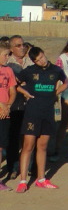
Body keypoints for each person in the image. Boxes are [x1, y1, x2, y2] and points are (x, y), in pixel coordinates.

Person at [14, 46, 67, 192]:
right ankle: (23, 181)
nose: (41, 61)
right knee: (28, 146)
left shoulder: (56, 70)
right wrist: (25, 92)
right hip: (32, 112)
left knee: (42, 146)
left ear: (44, 54)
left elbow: (66, 82)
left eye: (42, 57)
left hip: (48, 113)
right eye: (37, 60)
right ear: (33, 61)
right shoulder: (29, 71)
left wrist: (56, 92)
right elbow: (15, 83)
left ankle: (41, 179)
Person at [5, 35, 30, 177]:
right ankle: (13, 168)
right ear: (11, 48)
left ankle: (28, 167)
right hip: (14, 106)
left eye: (23, 44)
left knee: (28, 137)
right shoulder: (7, 63)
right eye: (18, 45)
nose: (22, 48)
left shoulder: (31, 61)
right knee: (13, 138)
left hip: (30, 105)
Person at [0, 39, 16, 191]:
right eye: (5, 55)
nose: (7, 57)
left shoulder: (9, 71)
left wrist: (8, 106)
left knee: (0, 146)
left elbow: (12, 90)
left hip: (5, 114)